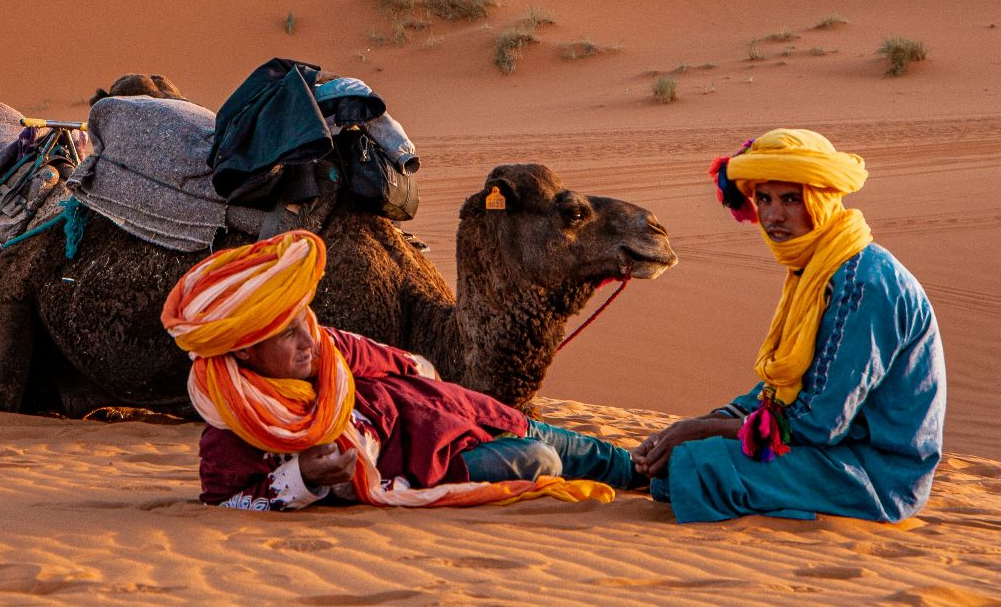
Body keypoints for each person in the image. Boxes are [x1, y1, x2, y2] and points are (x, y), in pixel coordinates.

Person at [162, 230, 640, 510]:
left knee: (617, 462)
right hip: (440, 463)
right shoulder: (236, 427)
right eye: (287, 333)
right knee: (543, 461)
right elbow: (228, 502)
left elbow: (413, 365)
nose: (310, 340)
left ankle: (669, 470)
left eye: (303, 322)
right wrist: (304, 476)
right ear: (243, 349)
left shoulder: (332, 349)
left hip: (468, 413)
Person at [632, 128, 944, 523]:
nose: (773, 215)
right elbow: (782, 391)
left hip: (876, 474)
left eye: (791, 199)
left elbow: (821, 422)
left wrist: (701, 431)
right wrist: (691, 427)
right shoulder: (817, 268)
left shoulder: (862, 284)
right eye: (764, 198)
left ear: (822, 200)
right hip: (834, 453)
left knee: (695, 466)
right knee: (674, 462)